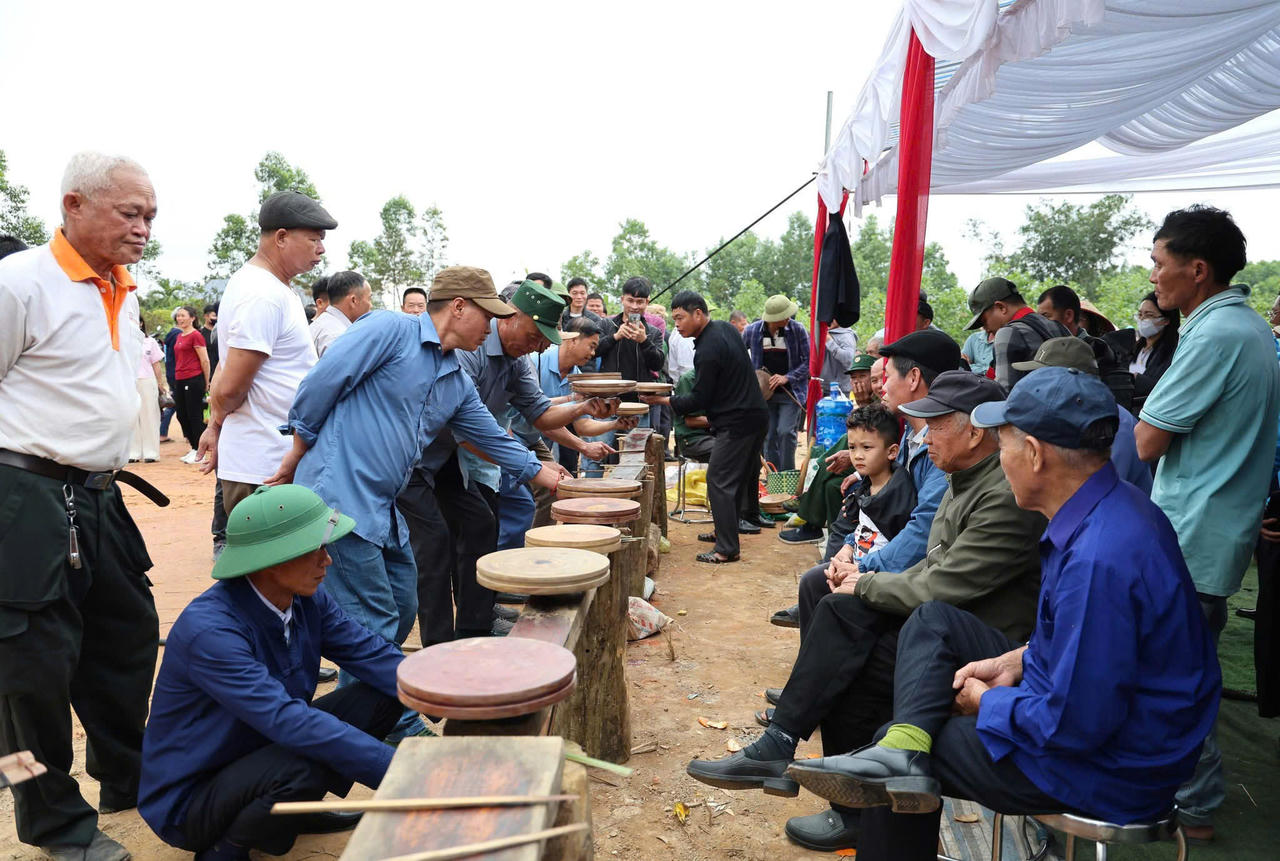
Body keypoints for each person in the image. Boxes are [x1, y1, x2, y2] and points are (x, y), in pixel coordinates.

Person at [788, 367, 1220, 861]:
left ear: (1034, 454)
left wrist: (985, 703)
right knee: (932, 624)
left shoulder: (1100, 557)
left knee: (903, 759)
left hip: (1110, 766)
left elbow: (1075, 724)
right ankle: (893, 750)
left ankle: (896, 755)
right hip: (1103, 723)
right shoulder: (1111, 510)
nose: (1000, 457)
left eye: (1004, 444)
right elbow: (1093, 645)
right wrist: (1020, 658)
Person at [688, 371, 1044, 853]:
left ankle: (800, 762)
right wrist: (863, 570)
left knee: (849, 645)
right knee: (840, 619)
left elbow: (948, 582)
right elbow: (931, 560)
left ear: (975, 431)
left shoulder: (1000, 493)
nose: (922, 434)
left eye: (934, 424)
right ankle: (798, 760)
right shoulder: (964, 478)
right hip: (944, 621)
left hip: (979, 639)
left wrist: (868, 580)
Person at [0, 152, 162, 861]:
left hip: (100, 497)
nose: (144, 229)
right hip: (25, 496)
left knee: (126, 639)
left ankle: (130, 778)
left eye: (151, 215)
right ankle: (51, 820)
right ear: (73, 205)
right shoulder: (18, 283)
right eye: (131, 213)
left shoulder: (122, 286)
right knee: (28, 672)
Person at [139, 485, 407, 861]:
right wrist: (401, 771)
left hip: (260, 748)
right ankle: (224, 848)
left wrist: (457, 694)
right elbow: (288, 721)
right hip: (193, 796)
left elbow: (370, 654)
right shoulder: (211, 632)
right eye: (315, 549)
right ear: (273, 560)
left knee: (386, 694)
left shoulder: (305, 599)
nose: (326, 560)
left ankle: (288, 816)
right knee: (304, 762)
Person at [1134, 205, 1280, 840]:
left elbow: (1146, 440)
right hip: (1209, 532)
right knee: (1182, 668)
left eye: (1160, 265)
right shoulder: (1244, 328)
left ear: (1197, 269)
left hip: (1192, 535)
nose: (1153, 278)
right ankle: (1184, 796)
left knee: (1170, 675)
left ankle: (1191, 806)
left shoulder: (1218, 335)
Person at [401, 280, 612, 644]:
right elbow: (471, 431)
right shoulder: (471, 351)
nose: (541, 345)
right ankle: (440, 644)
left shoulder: (518, 361)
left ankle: (474, 625)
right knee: (434, 543)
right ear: (512, 316)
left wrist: (582, 407)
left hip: (450, 456)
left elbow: (538, 413)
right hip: (413, 456)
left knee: (481, 522)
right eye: (536, 334)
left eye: (547, 338)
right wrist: (534, 468)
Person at [197, 191, 335, 513]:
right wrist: (217, 423)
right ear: (282, 237)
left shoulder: (271, 287)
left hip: (268, 459)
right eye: (314, 239)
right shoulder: (262, 294)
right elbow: (230, 388)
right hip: (264, 466)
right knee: (273, 562)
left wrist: (215, 426)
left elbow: (227, 364)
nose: (321, 249)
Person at [642, 290, 768, 564]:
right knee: (732, 480)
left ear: (698, 313)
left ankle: (726, 549)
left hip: (738, 423)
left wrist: (663, 399)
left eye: (680, 318)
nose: (677, 324)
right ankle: (726, 533)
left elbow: (700, 399)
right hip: (754, 416)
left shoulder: (707, 350)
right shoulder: (725, 329)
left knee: (719, 480)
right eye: (674, 319)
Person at [1012, 336, 1151, 494]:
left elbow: (1098, 493)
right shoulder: (1067, 414)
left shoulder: (1114, 423)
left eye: (1043, 375)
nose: (1035, 381)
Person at [778, 355, 882, 548]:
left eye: (863, 376)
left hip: (876, 465)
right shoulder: (864, 402)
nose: (857, 382)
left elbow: (870, 437)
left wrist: (850, 455)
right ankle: (827, 537)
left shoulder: (884, 401)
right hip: (862, 460)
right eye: (854, 378)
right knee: (833, 483)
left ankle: (808, 513)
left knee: (832, 459)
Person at [965, 276, 1069, 392]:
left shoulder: (1008, 333)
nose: (985, 329)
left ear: (1001, 307)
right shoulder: (1059, 327)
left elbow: (1004, 394)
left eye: (984, 321)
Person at [744, 294, 811, 471]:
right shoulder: (752, 331)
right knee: (770, 435)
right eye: (785, 316)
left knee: (785, 432)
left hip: (791, 393)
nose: (789, 318)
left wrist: (787, 377)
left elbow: (808, 363)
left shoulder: (798, 330)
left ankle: (787, 476)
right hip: (764, 394)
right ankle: (774, 477)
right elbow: (738, 356)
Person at [598, 276, 665, 392]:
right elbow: (592, 352)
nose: (634, 306)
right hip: (609, 393)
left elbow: (657, 365)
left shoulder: (654, 332)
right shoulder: (606, 324)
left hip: (639, 396)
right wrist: (615, 337)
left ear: (647, 302)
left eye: (639, 302)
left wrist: (644, 341)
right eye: (630, 301)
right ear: (622, 299)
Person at [172, 304, 211, 464]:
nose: (180, 318)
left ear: (192, 318)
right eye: (178, 316)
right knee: (182, 414)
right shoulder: (179, 336)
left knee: (194, 415)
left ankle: (200, 452)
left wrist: (206, 382)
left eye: (183, 315)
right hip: (180, 378)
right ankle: (194, 447)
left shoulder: (196, 335)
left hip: (194, 379)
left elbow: (205, 360)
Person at [1129, 290, 1180, 409]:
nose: (1142, 320)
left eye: (1149, 315)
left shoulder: (1173, 353)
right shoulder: (1133, 348)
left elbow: (1169, 390)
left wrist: (1137, 380)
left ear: (1166, 320)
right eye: (1140, 314)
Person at [308, 270, 372, 357]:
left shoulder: (321, 325)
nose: (371, 305)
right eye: (369, 298)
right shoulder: (339, 337)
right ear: (354, 300)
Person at [130, 320, 167, 463]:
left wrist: (160, 383)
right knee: (132, 417)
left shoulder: (150, 342)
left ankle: (151, 452)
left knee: (149, 415)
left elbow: (156, 364)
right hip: (129, 382)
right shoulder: (122, 340)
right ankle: (133, 452)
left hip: (147, 381)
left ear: (141, 324)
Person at [672, 369, 713, 462]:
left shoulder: (721, 378)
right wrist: (724, 420)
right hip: (693, 438)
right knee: (729, 451)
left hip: (716, 434)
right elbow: (691, 421)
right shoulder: (689, 379)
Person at [822, 326, 859, 394]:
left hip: (839, 390)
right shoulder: (821, 331)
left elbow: (849, 360)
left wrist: (830, 342)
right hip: (821, 386)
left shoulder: (846, 336)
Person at [200, 303, 220, 373]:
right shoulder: (200, 334)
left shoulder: (220, 333)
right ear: (206, 316)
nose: (216, 318)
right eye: (214, 316)